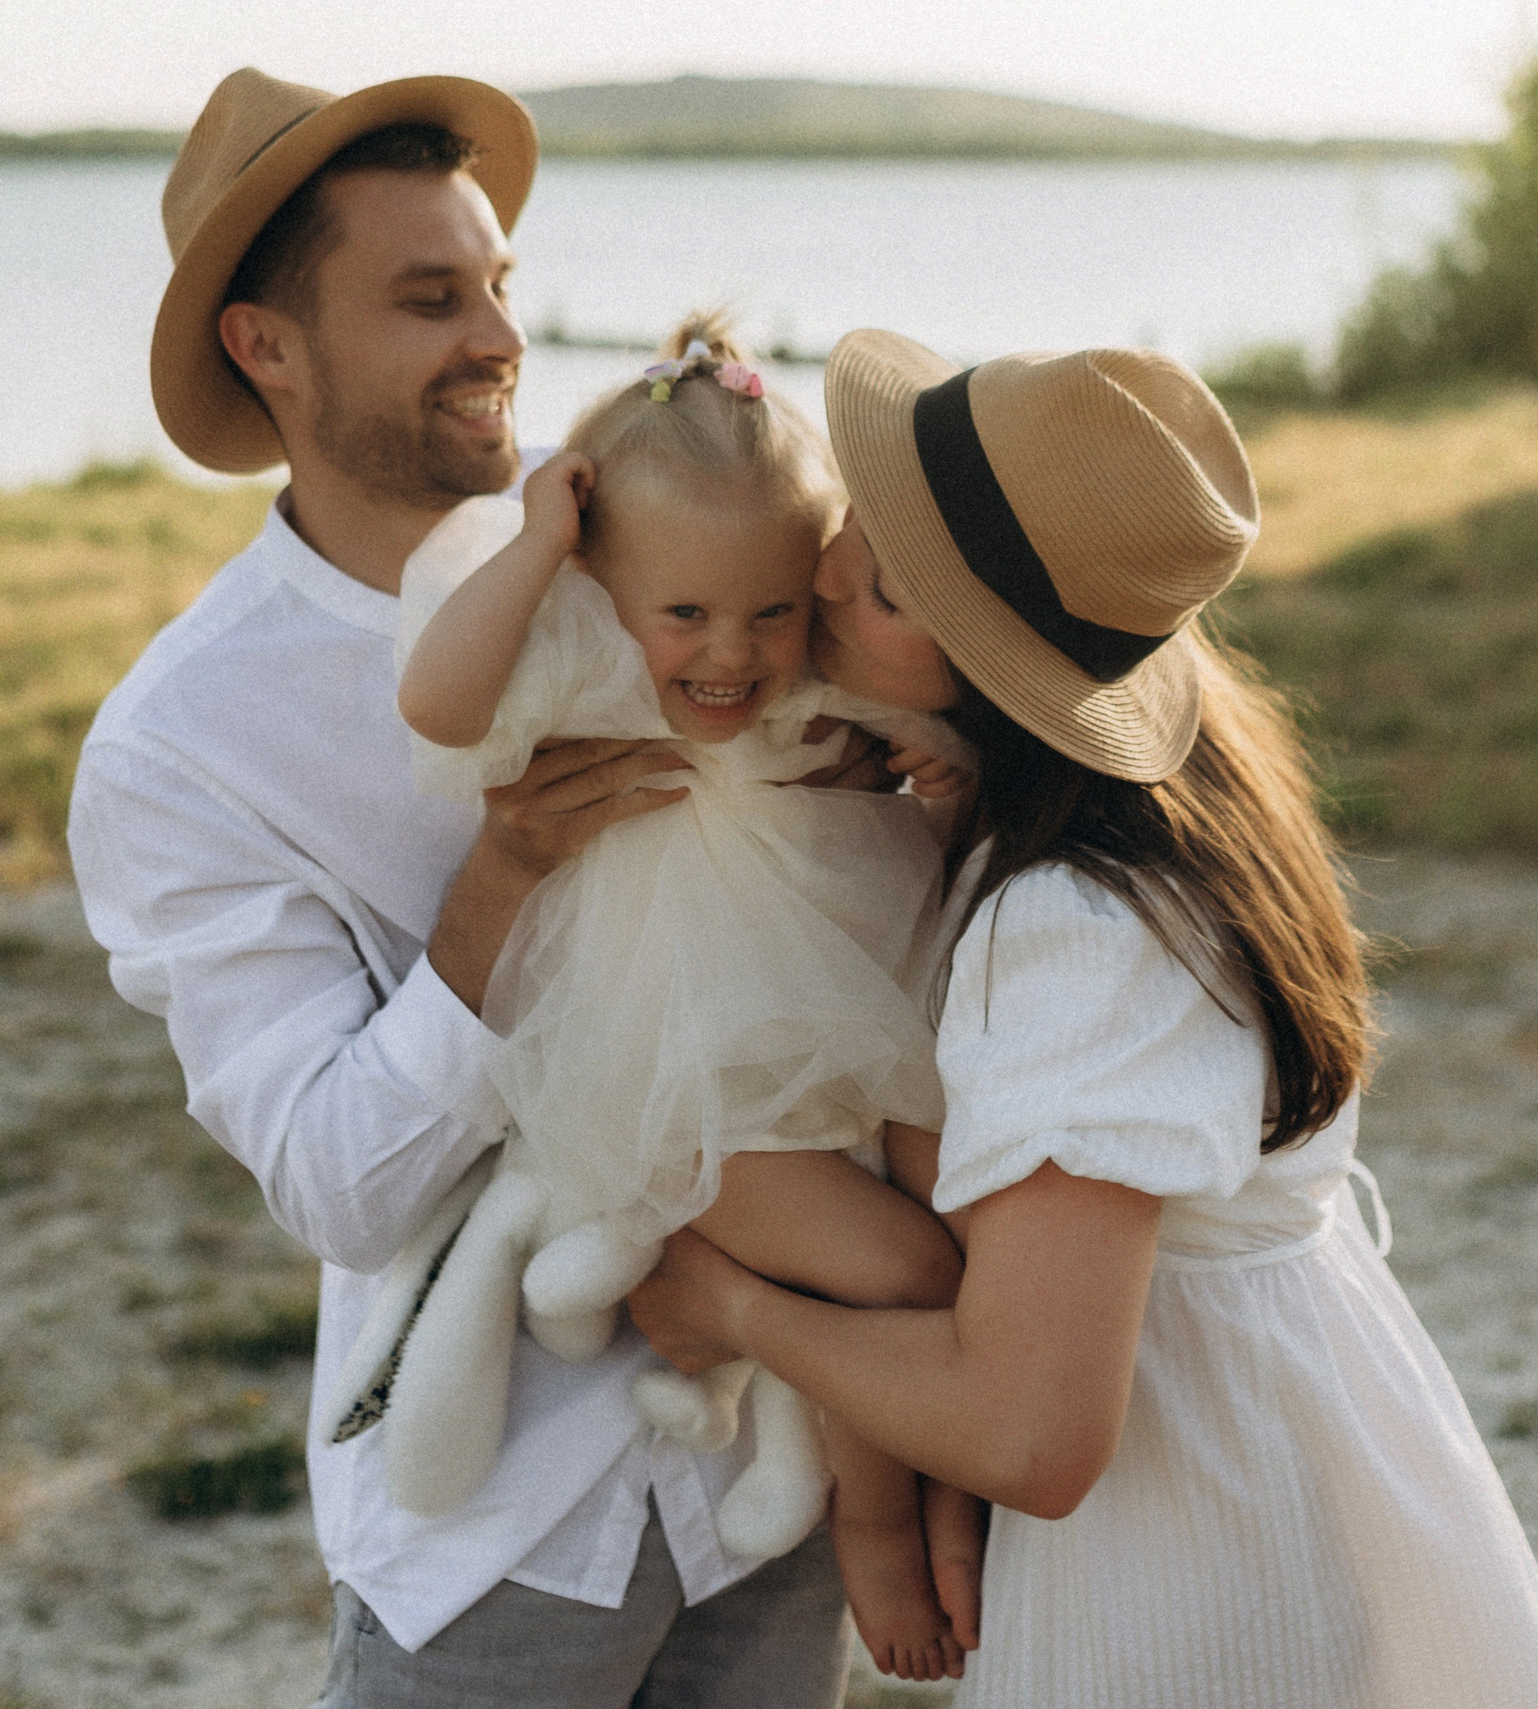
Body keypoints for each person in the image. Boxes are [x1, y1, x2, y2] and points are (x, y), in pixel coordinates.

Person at [628, 332, 1538, 1707]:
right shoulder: (1160, 796)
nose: (826, 573)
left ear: (993, 674)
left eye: (886, 587)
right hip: (1299, 1421)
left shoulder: (1077, 930)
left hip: (1191, 1530)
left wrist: (730, 1301)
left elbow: (1031, 1432)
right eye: (862, 520)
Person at [66, 68, 867, 1708]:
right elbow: (339, 1187)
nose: (500, 337)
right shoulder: (186, 743)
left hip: (764, 1481)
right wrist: (502, 882)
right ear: (267, 346)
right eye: (430, 298)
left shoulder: (663, 528)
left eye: (498, 284)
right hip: (500, 1526)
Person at [354, 308, 981, 1680]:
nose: (728, 656)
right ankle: (876, 1527)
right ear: (603, 582)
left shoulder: (802, 687)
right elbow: (440, 706)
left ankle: (907, 1489)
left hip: (837, 1053)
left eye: (770, 612)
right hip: (665, 1089)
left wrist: (943, 777)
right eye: (685, 613)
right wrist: (540, 541)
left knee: (950, 1242)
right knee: (913, 1272)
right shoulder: (584, 656)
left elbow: (928, 739)